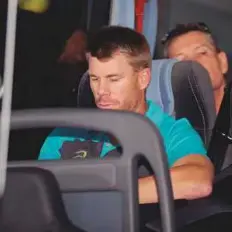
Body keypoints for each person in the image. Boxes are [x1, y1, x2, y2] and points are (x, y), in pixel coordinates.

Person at [39, 26, 214, 204]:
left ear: (143, 79)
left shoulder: (169, 131)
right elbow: (39, 192)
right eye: (94, 79)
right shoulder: (66, 134)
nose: (101, 91)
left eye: (113, 79)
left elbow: (197, 181)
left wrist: (108, 195)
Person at [161, 22, 229, 113]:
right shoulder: (168, 124)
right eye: (180, 61)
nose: (193, 63)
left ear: (222, 62)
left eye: (202, 53)